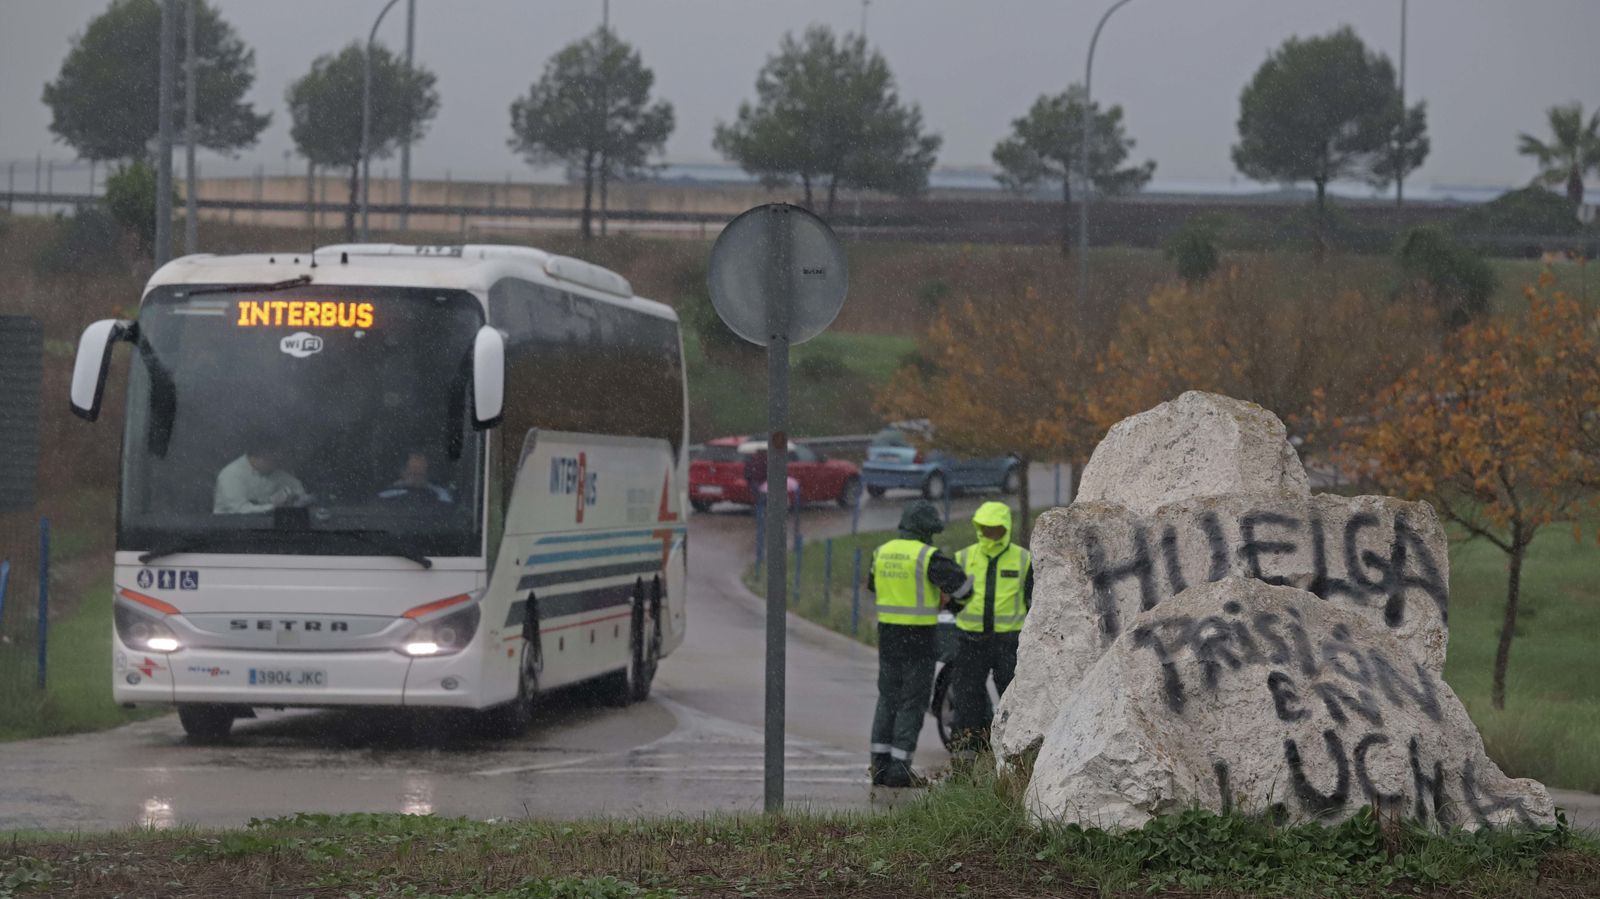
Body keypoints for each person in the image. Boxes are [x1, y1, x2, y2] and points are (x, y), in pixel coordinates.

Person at [867, 500, 972, 788]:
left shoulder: (881, 552)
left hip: (888, 637)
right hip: (918, 638)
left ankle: (879, 766)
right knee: (911, 703)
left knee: (887, 698)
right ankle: (899, 771)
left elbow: (874, 585)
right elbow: (964, 588)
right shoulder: (928, 557)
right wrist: (950, 603)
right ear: (926, 530)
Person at [948, 501, 1033, 767]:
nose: (990, 532)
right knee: (966, 700)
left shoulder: (1023, 559)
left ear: (1005, 527)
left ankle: (1017, 759)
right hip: (971, 640)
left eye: (995, 527)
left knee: (1015, 698)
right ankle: (964, 763)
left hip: (1009, 641)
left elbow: (1032, 600)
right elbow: (952, 597)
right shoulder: (963, 557)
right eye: (985, 527)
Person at [213, 433, 307, 514]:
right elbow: (240, 510)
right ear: (253, 458)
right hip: (230, 526)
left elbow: (298, 490)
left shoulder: (274, 470)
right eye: (271, 460)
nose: (275, 464)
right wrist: (274, 507)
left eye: (276, 459)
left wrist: (296, 500)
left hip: (266, 525)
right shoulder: (231, 474)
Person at [377, 450, 453, 503]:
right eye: (414, 468)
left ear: (427, 471)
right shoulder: (387, 494)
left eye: (421, 468)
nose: (417, 472)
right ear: (403, 471)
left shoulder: (441, 494)